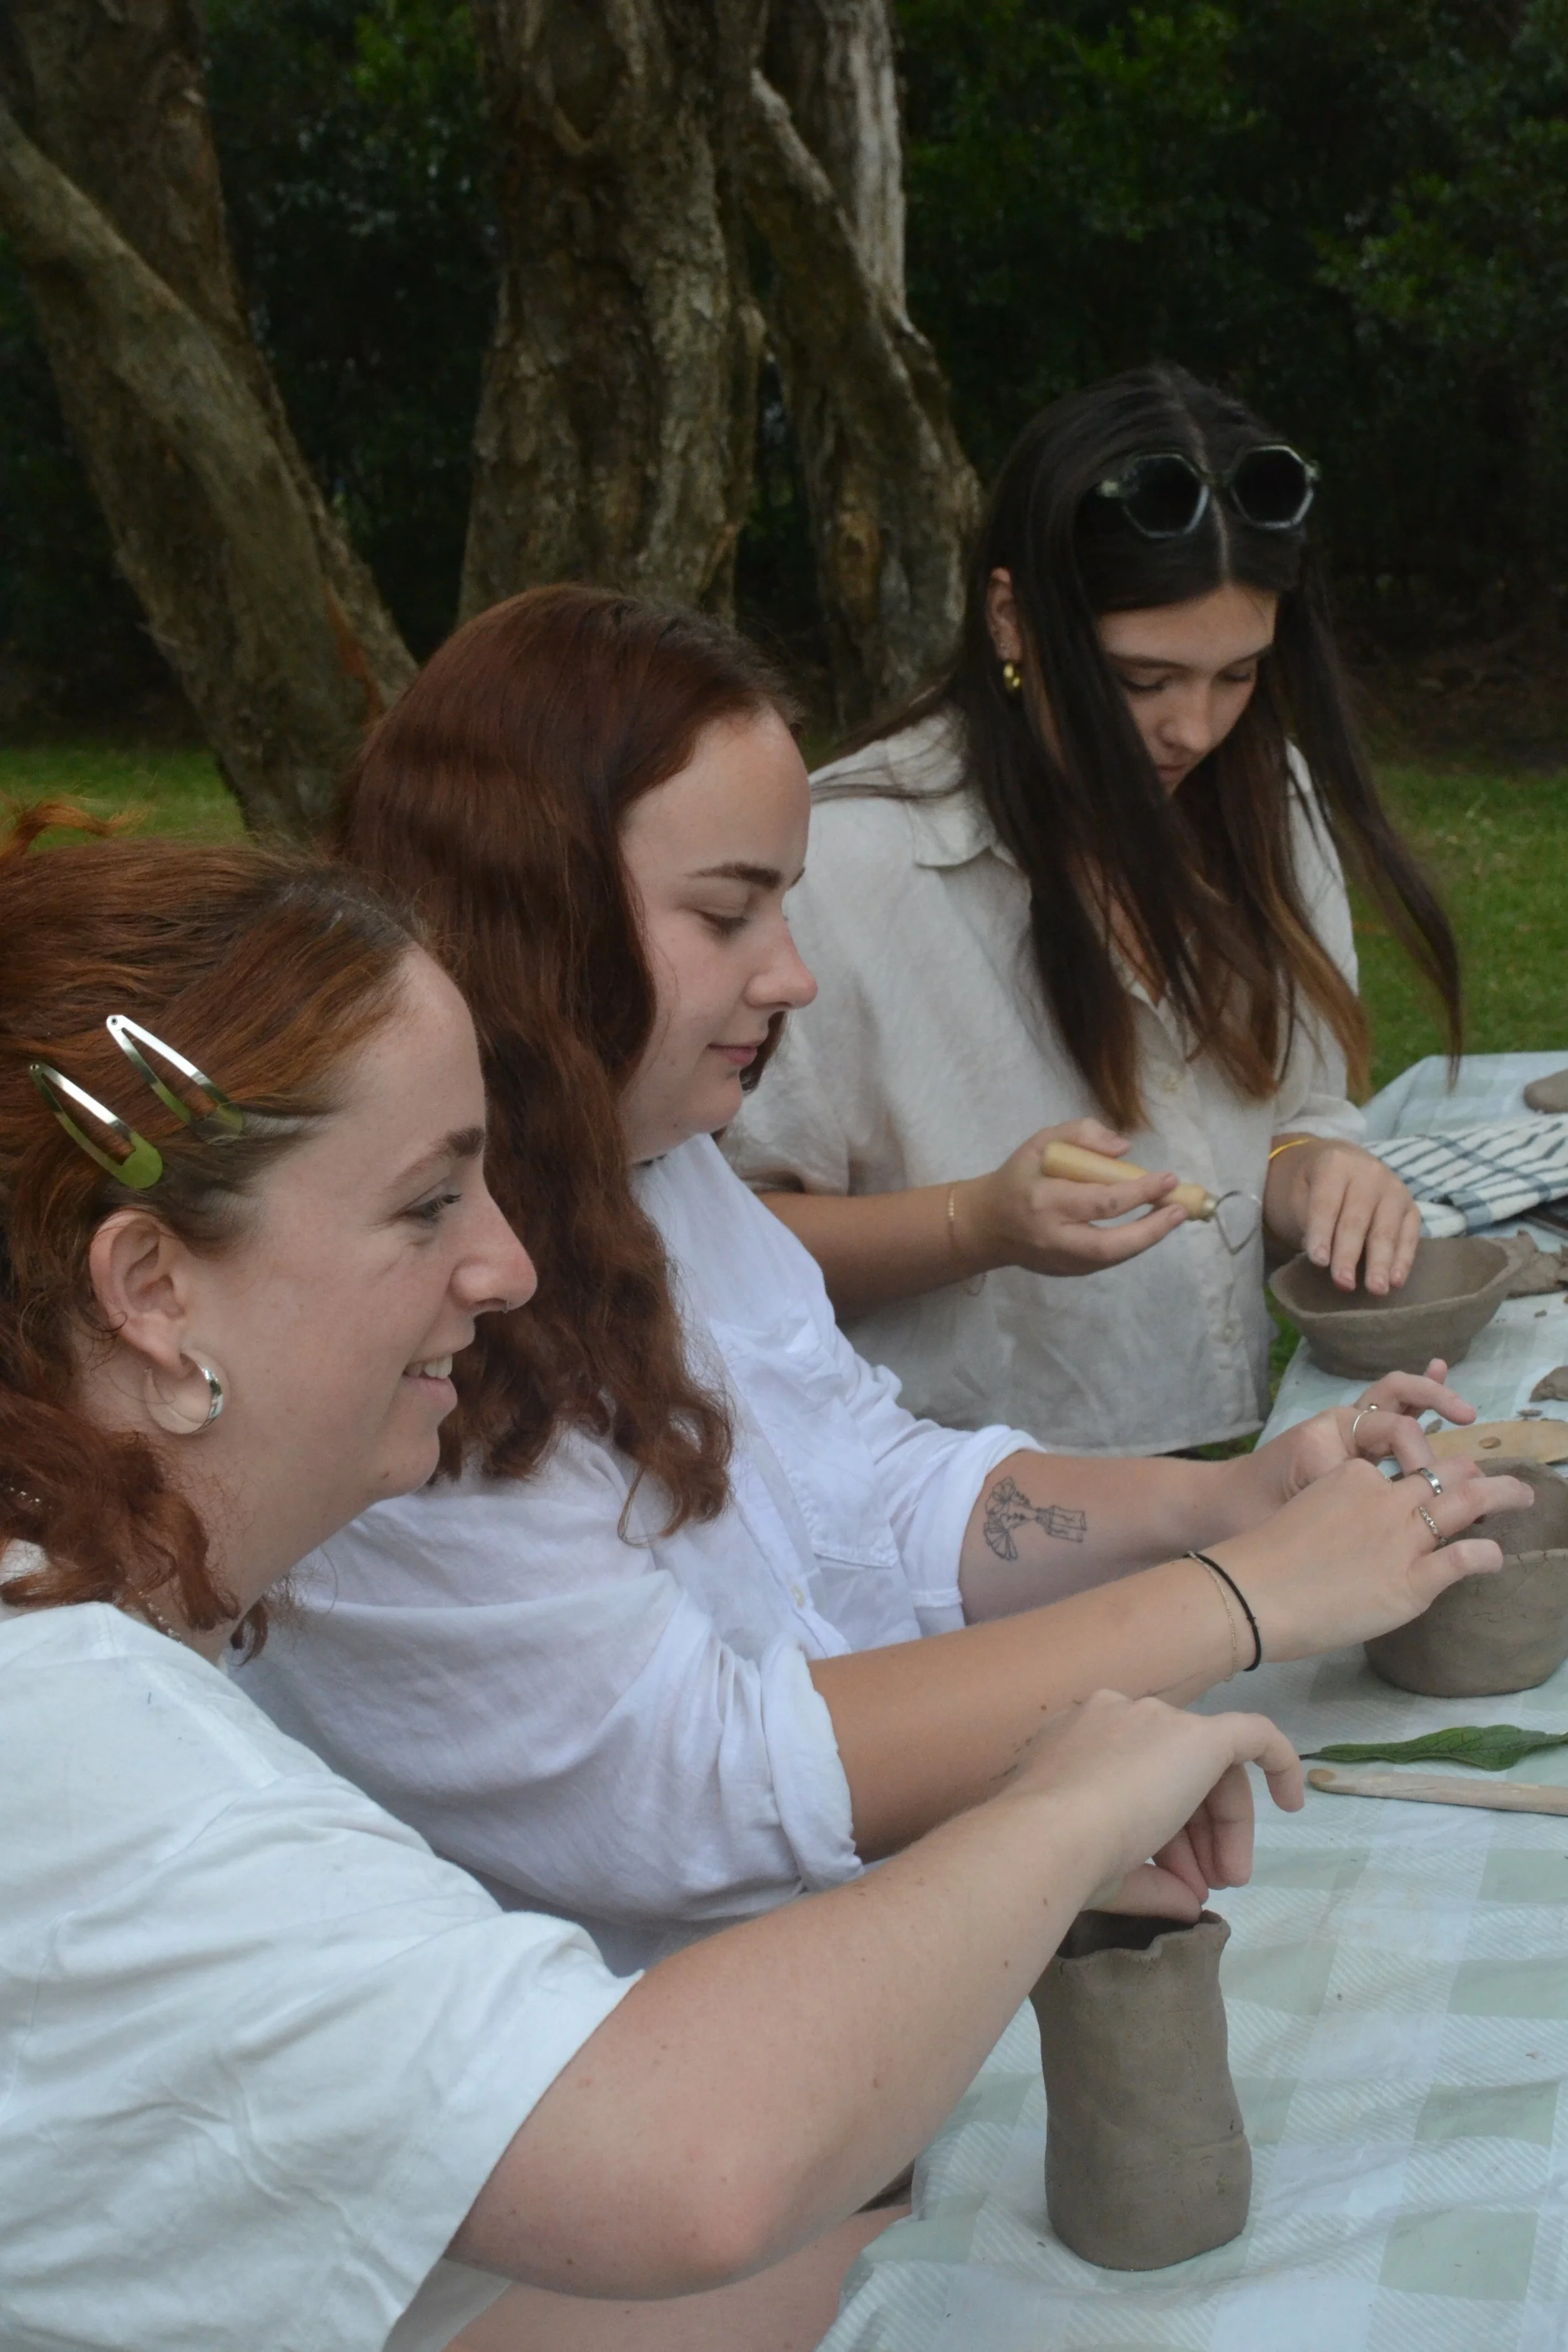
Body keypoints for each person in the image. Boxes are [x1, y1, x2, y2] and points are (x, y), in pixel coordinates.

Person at [0, 809, 1320, 2352]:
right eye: (426, 1203)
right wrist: (1067, 1796)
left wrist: (917, 2200)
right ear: (152, 1291)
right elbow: (685, 2160)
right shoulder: (68, 1729)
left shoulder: (105, 1632)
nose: (503, 1266)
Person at [243, 586, 1515, 1988]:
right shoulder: (385, 1322)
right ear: (532, 909)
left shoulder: (655, 1167)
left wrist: (1216, 1500)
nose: (789, 975)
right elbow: (705, 1783)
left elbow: (872, 1489)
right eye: (729, 912)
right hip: (673, 2063)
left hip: (875, 1951)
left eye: (783, 906)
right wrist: (1232, 1599)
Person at [724, 364, 1463, 1453]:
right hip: (947, 1519)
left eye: (1239, 674)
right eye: (1141, 680)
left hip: (1235, 1463)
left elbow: (1290, 1122)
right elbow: (716, 1245)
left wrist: (1319, 1180)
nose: (1194, 730)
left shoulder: (1267, 798)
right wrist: (975, 1224)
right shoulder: (842, 863)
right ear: (1013, 618)